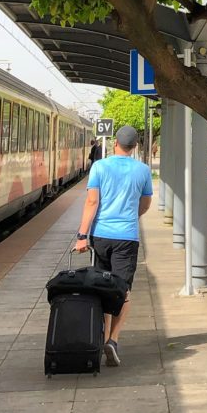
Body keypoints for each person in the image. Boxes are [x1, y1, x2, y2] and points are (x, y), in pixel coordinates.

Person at [75, 124, 152, 366]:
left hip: (101, 237)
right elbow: (146, 203)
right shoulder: (143, 170)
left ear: (115, 143)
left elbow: (91, 202)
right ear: (135, 147)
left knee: (102, 286)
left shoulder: (99, 166)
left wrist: (81, 236)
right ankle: (113, 340)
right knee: (122, 290)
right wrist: (131, 217)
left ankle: (104, 336)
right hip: (127, 237)